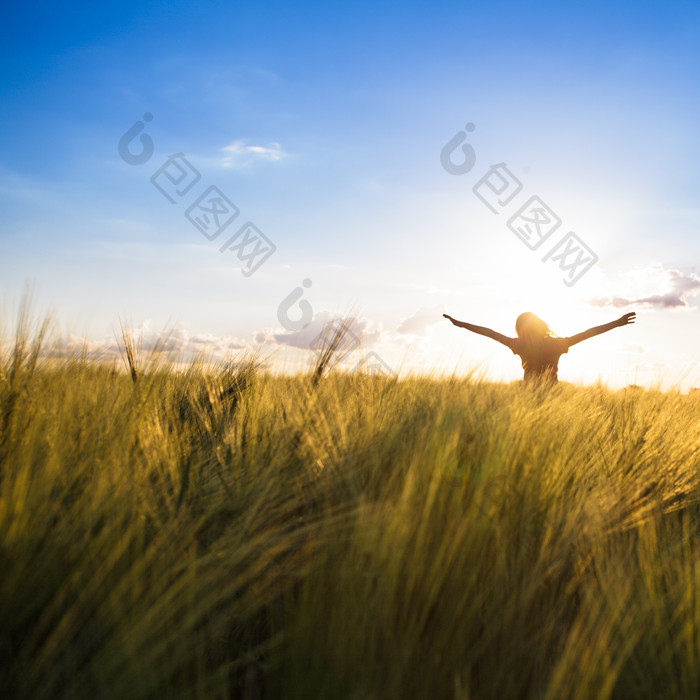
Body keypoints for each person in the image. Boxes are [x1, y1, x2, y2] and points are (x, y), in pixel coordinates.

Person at [443, 310, 636, 384]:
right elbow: (589, 332)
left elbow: (489, 332)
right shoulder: (556, 344)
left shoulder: (519, 345)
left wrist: (461, 324)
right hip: (551, 394)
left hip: (528, 395)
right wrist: (615, 323)